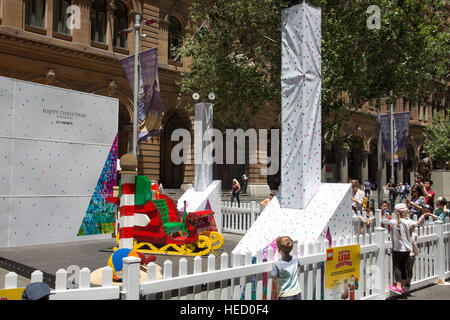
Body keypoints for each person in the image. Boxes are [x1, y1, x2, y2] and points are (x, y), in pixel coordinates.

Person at [388, 203, 414, 295]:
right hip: (407, 248)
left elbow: (388, 226)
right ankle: (402, 285)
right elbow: (411, 232)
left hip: (398, 248)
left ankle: (398, 286)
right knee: (403, 267)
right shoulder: (408, 222)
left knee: (397, 266)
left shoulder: (393, 222)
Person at [271, 236, 302, 300]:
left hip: (285, 295)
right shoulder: (296, 259)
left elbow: (274, 277)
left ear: (278, 250)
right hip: (297, 293)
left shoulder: (277, 264)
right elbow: (298, 265)